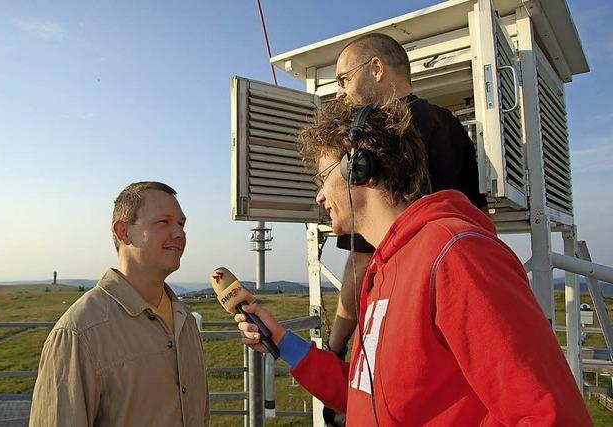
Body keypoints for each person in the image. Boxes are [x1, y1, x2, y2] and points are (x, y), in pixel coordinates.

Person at [234, 100, 592, 425]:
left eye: (323, 177)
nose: (320, 194)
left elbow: (550, 415)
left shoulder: (457, 254)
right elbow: (370, 398)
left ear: (359, 168)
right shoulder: (386, 268)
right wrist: (282, 340)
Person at [328, 33, 488, 369]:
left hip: (400, 321)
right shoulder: (452, 126)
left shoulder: (367, 140)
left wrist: (336, 346)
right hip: (456, 315)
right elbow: (481, 221)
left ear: (376, 68)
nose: (339, 92)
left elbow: (361, 263)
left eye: (343, 79)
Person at [30, 181, 209, 426]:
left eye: (181, 224)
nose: (179, 233)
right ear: (123, 232)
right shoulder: (78, 334)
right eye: (163, 222)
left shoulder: (184, 320)